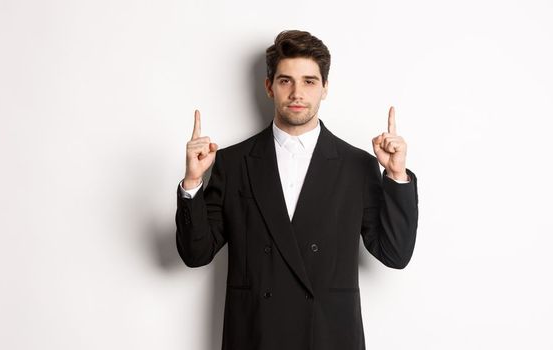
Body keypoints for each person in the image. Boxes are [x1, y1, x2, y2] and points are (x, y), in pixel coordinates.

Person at [175, 30, 419, 350]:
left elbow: (395, 254)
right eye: (286, 80)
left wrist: (396, 175)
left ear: (325, 88)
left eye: (309, 81)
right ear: (269, 87)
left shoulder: (356, 166)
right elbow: (196, 254)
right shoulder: (233, 163)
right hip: (255, 336)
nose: (297, 93)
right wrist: (192, 182)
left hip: (328, 338)